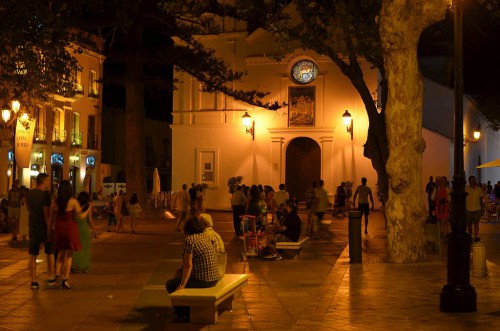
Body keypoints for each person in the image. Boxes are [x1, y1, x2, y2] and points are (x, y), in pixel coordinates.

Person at [165, 216, 220, 323]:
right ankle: (185, 310)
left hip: (203, 280)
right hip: (214, 278)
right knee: (178, 278)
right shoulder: (205, 236)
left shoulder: (190, 240)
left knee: (170, 284)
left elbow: (188, 264)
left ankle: (183, 314)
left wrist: (182, 285)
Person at [50, 180, 91, 289]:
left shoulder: (54, 202)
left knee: (60, 253)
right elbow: (81, 216)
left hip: (59, 229)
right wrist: (88, 209)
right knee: (68, 256)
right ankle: (65, 280)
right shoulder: (73, 202)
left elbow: (51, 220)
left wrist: (49, 231)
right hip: (70, 229)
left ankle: (57, 275)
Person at [26, 173, 55, 289]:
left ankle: (33, 280)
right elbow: (46, 213)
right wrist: (49, 229)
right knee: (50, 251)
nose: (49, 182)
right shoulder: (45, 195)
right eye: (48, 180)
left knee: (33, 254)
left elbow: (29, 209)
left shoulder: (29, 194)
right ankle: (51, 275)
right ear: (43, 181)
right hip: (43, 226)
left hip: (33, 225)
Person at [72, 192, 98, 273]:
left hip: (75, 228)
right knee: (85, 248)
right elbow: (90, 220)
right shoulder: (87, 207)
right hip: (84, 229)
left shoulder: (75, 206)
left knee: (75, 248)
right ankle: (83, 267)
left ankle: (73, 265)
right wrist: (94, 232)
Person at [465, 175, 484, 242]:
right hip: (468, 209)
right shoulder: (466, 189)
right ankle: (470, 235)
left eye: (474, 180)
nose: (473, 181)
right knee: (469, 223)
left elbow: (481, 200)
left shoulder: (479, 189)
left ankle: (475, 236)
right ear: (469, 181)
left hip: (477, 209)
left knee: (476, 222)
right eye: (472, 180)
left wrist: (482, 209)